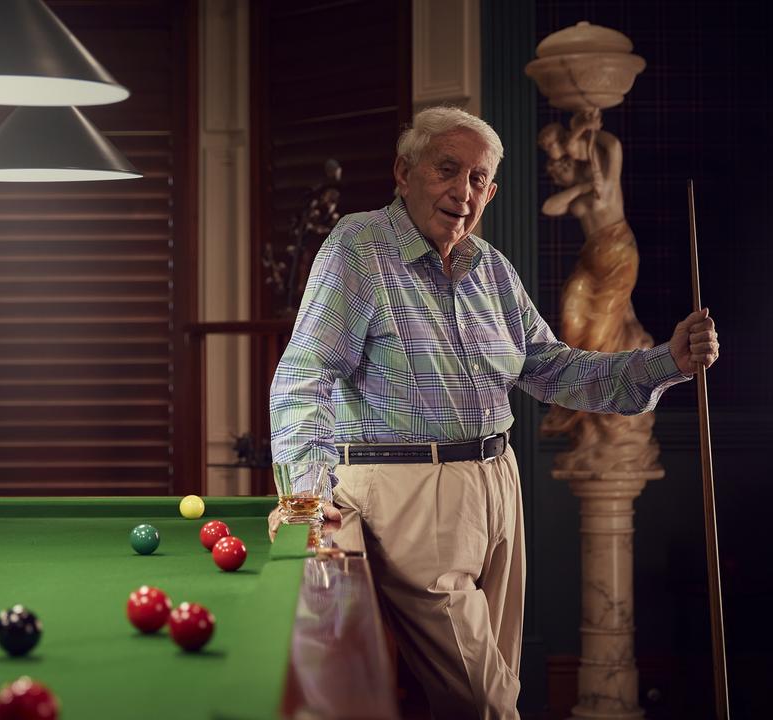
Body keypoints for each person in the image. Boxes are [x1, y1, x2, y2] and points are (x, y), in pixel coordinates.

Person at [267, 106, 718, 720]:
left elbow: (557, 370)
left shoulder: (493, 271)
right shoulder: (359, 248)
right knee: (486, 699)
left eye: (478, 179)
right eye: (447, 170)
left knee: (495, 682)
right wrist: (305, 501)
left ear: (492, 192)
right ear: (404, 172)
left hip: (497, 484)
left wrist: (667, 361)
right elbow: (304, 378)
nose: (463, 191)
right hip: (405, 492)